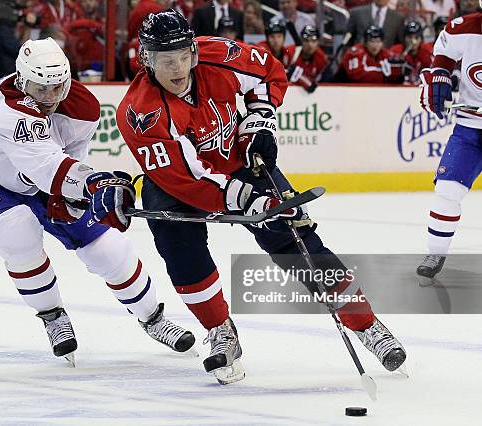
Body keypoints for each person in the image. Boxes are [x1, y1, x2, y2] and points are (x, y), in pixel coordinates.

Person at [116, 9, 407, 385]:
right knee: (179, 247)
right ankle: (219, 330)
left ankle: (366, 324)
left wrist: (258, 121)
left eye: (184, 56)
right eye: (165, 60)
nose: (177, 68)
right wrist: (247, 200)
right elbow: (186, 178)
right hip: (176, 182)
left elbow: (268, 71)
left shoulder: (219, 55)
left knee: (296, 239)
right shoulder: (139, 112)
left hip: (240, 160)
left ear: (193, 50)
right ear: (146, 60)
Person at [0, 37, 195, 365]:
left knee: (108, 248)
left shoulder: (83, 107)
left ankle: (153, 318)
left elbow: (68, 159)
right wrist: (94, 183)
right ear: (21, 81)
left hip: (41, 180)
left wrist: (79, 195)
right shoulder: (5, 111)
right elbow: (45, 168)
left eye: (57, 87)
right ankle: (52, 316)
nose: (49, 97)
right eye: (39, 88)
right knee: (16, 230)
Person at [416, 10, 482, 281]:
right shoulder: (463, 27)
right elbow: (441, 58)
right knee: (447, 192)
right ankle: (435, 253)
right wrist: (436, 81)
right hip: (469, 128)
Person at [338, 25, 403, 84]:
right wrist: (383, 74)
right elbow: (356, 76)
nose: (375, 45)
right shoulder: (355, 52)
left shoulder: (385, 54)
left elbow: (396, 73)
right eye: (372, 41)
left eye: (378, 41)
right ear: (365, 42)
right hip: (343, 89)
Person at [284, 25, 328, 93]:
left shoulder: (321, 58)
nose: (310, 45)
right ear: (301, 41)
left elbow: (321, 82)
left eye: (313, 41)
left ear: (318, 42)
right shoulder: (290, 52)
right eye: (306, 41)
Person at [389, 21, 432, 85]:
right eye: (409, 37)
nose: (413, 41)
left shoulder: (426, 52)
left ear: (421, 39)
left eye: (416, 37)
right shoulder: (395, 51)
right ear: (404, 38)